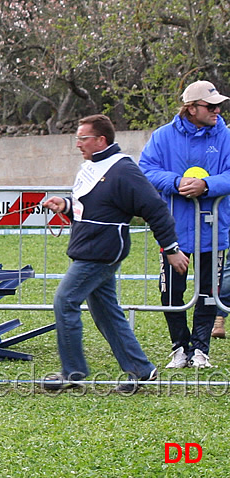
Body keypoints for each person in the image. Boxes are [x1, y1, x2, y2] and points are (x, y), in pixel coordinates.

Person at [42, 114, 189, 394]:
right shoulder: (90, 167)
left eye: (83, 138)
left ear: (101, 140)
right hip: (89, 247)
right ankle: (141, 370)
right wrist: (65, 204)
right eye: (77, 138)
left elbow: (155, 210)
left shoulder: (123, 170)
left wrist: (171, 249)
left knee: (65, 301)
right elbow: (94, 207)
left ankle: (72, 372)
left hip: (102, 252)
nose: (78, 144)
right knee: (106, 312)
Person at [139, 80, 230, 368]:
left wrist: (207, 185)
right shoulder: (163, 136)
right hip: (173, 228)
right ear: (191, 108)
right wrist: (176, 182)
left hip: (214, 226)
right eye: (211, 106)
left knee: (209, 291)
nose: (217, 110)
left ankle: (200, 350)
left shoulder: (224, 135)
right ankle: (179, 347)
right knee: (170, 291)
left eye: (219, 105)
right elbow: (146, 169)